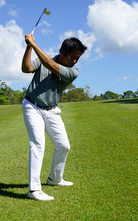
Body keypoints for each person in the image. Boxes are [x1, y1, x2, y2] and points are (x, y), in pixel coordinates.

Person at [21, 33, 87, 201]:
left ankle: (55, 178)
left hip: (52, 110)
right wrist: (29, 47)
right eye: (72, 57)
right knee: (38, 144)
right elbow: (26, 68)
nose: (74, 61)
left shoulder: (72, 72)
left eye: (77, 58)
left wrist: (34, 45)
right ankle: (34, 190)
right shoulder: (45, 58)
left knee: (63, 146)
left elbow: (50, 65)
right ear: (62, 52)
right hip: (32, 106)